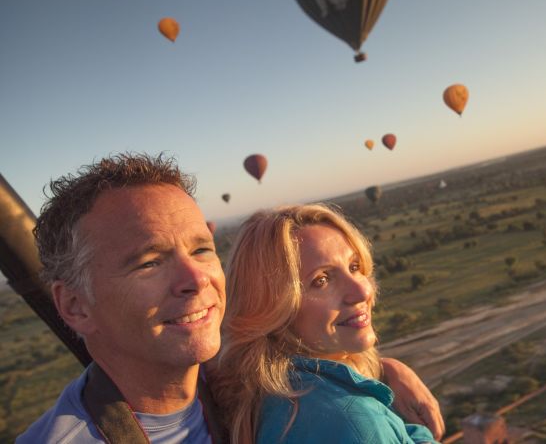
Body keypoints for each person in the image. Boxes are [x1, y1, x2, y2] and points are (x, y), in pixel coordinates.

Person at [17, 153, 443, 443]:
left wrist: (383, 372)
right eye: (149, 262)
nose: (196, 279)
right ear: (74, 306)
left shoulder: (221, 381)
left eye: (202, 249)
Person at [211, 204, 441, 444]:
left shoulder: (271, 397)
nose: (363, 290)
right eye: (321, 280)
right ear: (272, 308)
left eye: (354, 267)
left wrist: (387, 370)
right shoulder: (351, 421)